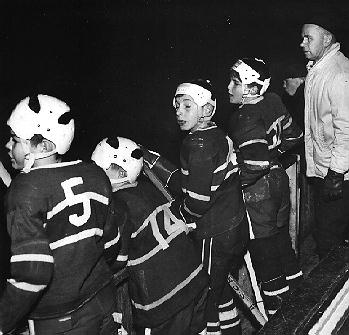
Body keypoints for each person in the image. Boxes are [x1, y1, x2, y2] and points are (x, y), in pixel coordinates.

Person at [0, 94, 123, 335]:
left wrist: (3, 320)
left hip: (60, 320)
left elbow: (33, 273)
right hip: (103, 300)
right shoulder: (94, 174)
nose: (7, 145)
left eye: (14, 140)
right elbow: (112, 244)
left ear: (43, 146)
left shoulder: (24, 191)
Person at [91, 136, 209, 335]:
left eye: (100, 169)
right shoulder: (151, 188)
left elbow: (118, 258)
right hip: (195, 280)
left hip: (163, 301)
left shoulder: (118, 205)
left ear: (120, 171)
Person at [227, 58, 304, 316]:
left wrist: (231, 186)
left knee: (265, 253)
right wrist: (274, 156)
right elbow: (295, 135)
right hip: (279, 180)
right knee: (281, 241)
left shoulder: (243, 116)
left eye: (235, 83)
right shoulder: (273, 100)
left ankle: (281, 317)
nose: (228, 87)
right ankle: (302, 297)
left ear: (249, 88)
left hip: (258, 192)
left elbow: (256, 162)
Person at [173, 79, 249, 334]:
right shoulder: (218, 135)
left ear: (206, 110)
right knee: (219, 288)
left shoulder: (198, 145)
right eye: (176, 106)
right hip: (234, 226)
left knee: (204, 295)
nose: (179, 112)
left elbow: (197, 202)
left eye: (187, 106)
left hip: (214, 234)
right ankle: (231, 331)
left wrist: (177, 215)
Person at [300, 14, 349, 258]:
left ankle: (333, 292)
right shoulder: (322, 67)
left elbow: (346, 129)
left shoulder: (338, 74)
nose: (302, 43)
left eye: (308, 38)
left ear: (327, 38)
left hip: (336, 173)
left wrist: (336, 174)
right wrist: (301, 83)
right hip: (325, 167)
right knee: (329, 230)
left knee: (329, 237)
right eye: (303, 38)